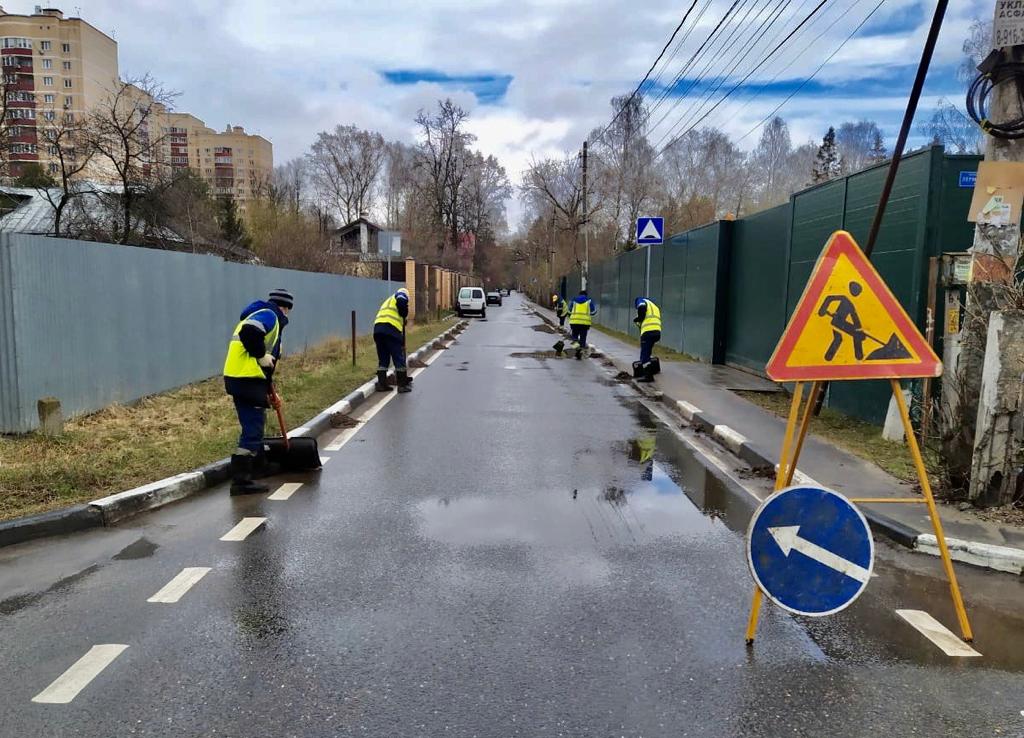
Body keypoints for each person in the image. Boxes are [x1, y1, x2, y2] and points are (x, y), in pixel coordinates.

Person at [223, 288, 293, 495]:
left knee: (256, 420)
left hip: (247, 378)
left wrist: (270, 391)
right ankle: (241, 481)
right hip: (246, 378)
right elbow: (250, 334)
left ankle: (260, 466)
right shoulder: (269, 314)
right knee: (252, 427)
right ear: (285, 308)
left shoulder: (261, 314)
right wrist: (261, 355)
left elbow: (267, 364)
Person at [374, 287, 412, 394]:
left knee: (383, 359)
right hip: (390, 330)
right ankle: (402, 385)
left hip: (378, 330)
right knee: (398, 358)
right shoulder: (400, 295)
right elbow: (401, 301)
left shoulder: (388, 301)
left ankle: (382, 384)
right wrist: (404, 313)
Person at [633, 296, 662, 382]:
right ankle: (651, 369)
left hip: (648, 332)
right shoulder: (654, 306)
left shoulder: (640, 300)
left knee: (644, 355)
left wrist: (638, 319)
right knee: (648, 352)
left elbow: (641, 308)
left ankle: (648, 376)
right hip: (657, 332)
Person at [568, 288, 597, 360]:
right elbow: (593, 312)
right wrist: (588, 314)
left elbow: (569, 310)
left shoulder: (574, 300)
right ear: (586, 295)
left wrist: (571, 316)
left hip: (574, 322)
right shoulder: (589, 300)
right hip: (585, 323)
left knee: (574, 337)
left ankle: (576, 347)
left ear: (579, 294)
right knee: (583, 338)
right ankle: (580, 351)